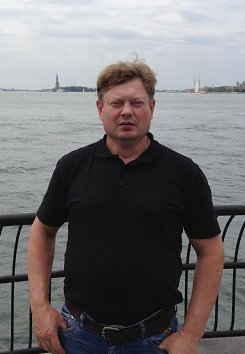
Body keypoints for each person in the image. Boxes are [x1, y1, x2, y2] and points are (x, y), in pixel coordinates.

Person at [27, 59, 224, 354]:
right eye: (116, 103)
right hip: (79, 333)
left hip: (154, 338)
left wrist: (192, 333)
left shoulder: (183, 173)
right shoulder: (72, 166)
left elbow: (211, 251)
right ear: (100, 109)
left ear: (152, 108)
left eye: (137, 103)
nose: (127, 111)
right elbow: (42, 232)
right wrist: (40, 307)